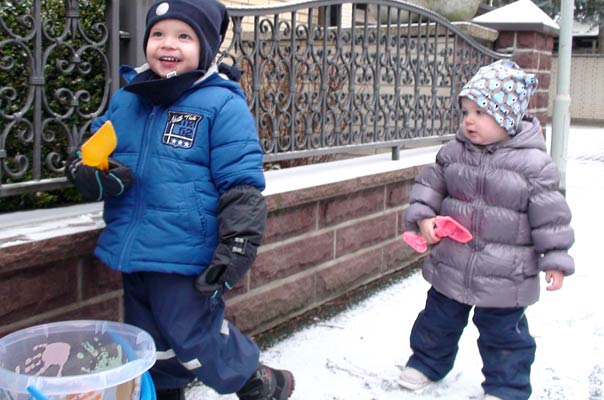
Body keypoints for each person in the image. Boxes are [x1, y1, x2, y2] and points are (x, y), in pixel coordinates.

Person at [64, 1, 295, 399]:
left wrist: (237, 242)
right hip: (132, 247)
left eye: (183, 36)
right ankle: (165, 390)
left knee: (194, 333)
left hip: (185, 250)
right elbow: (91, 152)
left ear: (205, 47)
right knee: (147, 337)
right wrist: (85, 171)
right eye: (158, 34)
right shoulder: (127, 100)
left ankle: (256, 380)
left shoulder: (221, 103)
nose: (168, 44)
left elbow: (241, 181)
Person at [398, 59, 575, 400]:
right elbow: (428, 189)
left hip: (505, 273)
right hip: (454, 262)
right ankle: (426, 362)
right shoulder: (452, 154)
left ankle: (507, 387)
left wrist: (554, 258)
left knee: (504, 335)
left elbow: (550, 216)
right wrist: (423, 218)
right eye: (466, 110)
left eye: (481, 112)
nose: (469, 120)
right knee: (437, 319)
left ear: (508, 117)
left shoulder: (533, 165)